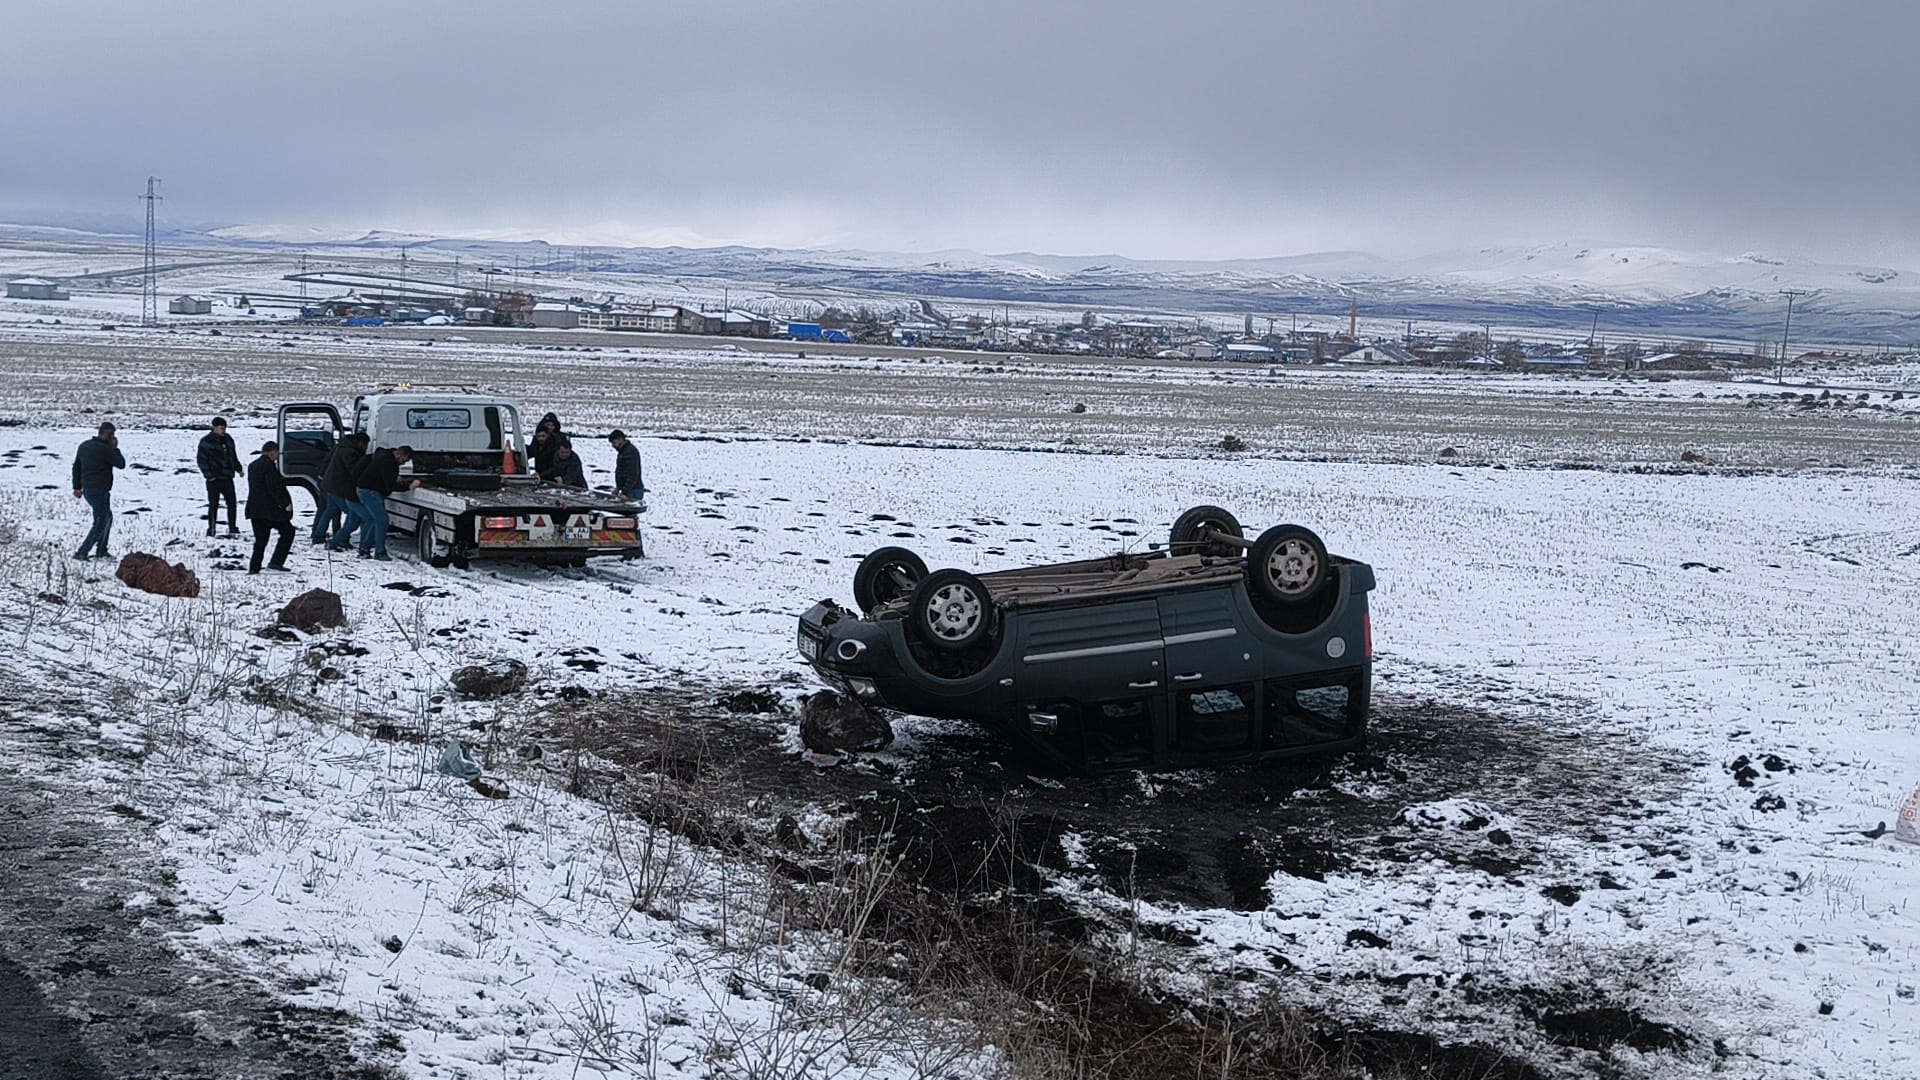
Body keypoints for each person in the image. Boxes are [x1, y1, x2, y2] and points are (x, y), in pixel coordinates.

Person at [353, 444, 421, 560]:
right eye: (404, 460)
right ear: (399, 454)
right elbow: (390, 485)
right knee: (382, 520)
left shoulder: (386, 456)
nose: (403, 463)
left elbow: (385, 476)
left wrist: (397, 479)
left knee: (376, 520)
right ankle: (379, 552)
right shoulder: (388, 462)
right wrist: (409, 486)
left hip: (366, 490)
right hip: (370, 492)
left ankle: (364, 548)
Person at [71, 421, 125, 560]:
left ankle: (101, 550)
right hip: (100, 490)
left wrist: (76, 487)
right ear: (109, 435)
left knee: (106, 518)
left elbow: (76, 467)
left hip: (88, 490)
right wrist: (115, 449)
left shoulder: (84, 446)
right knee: (101, 521)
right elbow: (121, 463)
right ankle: (82, 552)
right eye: (112, 435)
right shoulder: (105, 449)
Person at [244, 441, 295, 574]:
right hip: (269, 510)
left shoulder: (252, 465)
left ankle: (254, 567)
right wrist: (285, 503)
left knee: (260, 541)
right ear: (272, 452)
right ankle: (276, 562)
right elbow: (274, 487)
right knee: (288, 532)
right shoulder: (268, 466)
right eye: (278, 452)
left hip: (254, 509)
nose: (278, 455)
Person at [320, 433, 370, 548]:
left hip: (330, 485)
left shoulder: (342, 447)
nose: (366, 448)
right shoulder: (350, 453)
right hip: (339, 487)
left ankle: (320, 535)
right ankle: (341, 538)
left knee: (329, 511)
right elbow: (354, 470)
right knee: (352, 514)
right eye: (365, 445)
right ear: (360, 443)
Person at [196, 417, 242, 537]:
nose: (223, 430)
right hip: (214, 479)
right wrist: (209, 476)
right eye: (221, 428)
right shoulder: (206, 442)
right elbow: (201, 460)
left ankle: (232, 527)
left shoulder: (228, 439)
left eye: (224, 428)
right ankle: (211, 529)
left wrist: (238, 468)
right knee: (213, 505)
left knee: (232, 503)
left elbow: (233, 456)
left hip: (227, 477)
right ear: (214, 427)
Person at [608, 430, 644, 499]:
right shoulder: (623, 452)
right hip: (628, 490)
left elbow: (632, 474)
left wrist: (625, 492)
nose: (613, 446)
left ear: (620, 439)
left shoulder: (630, 452)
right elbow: (621, 472)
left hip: (633, 490)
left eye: (614, 442)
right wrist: (618, 487)